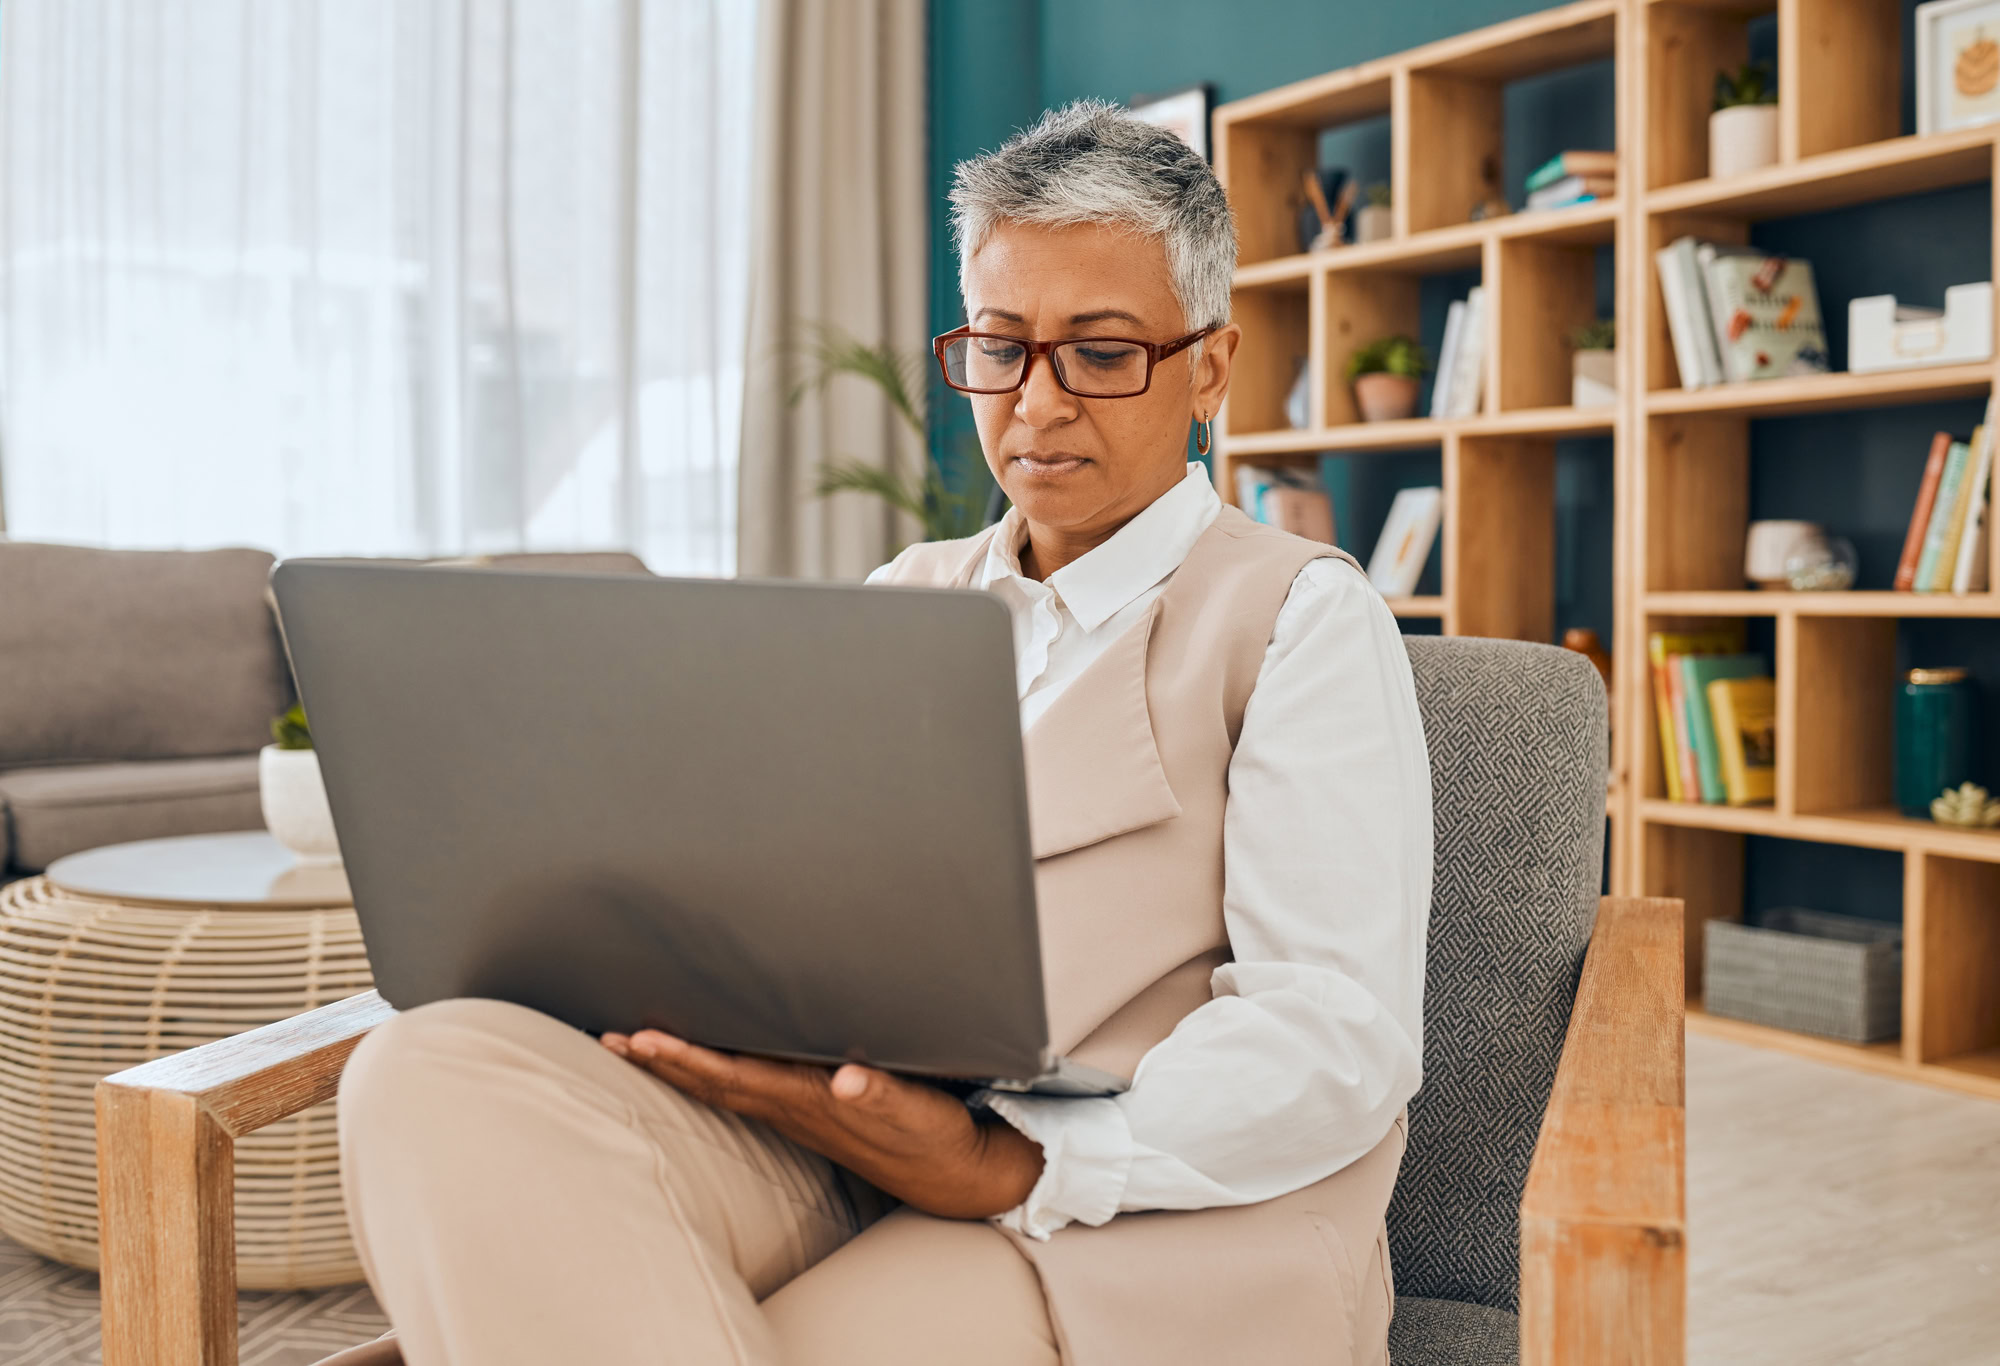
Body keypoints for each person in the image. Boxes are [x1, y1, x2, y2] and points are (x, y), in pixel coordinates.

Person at [335, 99, 1431, 1366]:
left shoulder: (1299, 615)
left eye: (1100, 351)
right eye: (1001, 346)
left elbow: (1332, 1033)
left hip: (1132, 1210)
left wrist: (1015, 1154)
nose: (1036, 402)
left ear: (1208, 367)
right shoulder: (906, 594)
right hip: (846, 1134)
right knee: (428, 1070)